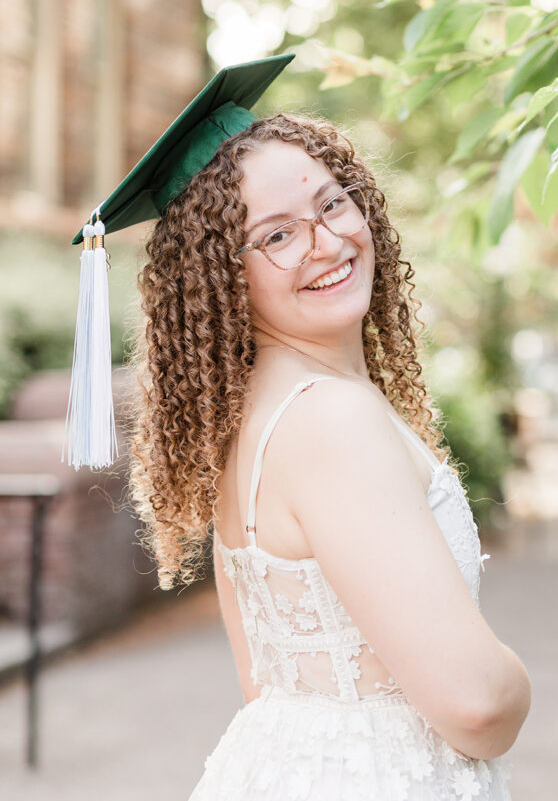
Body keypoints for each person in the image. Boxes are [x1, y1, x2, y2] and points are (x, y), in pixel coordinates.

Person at [122, 83, 531, 798]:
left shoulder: (254, 419)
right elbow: (479, 705)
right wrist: (515, 676)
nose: (327, 241)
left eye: (331, 203)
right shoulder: (329, 419)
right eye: (276, 235)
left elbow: (265, 682)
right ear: (225, 278)